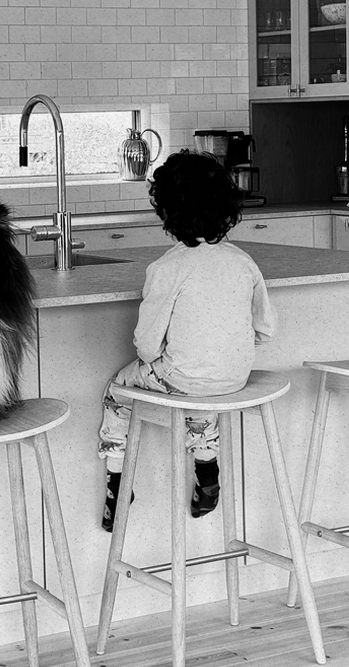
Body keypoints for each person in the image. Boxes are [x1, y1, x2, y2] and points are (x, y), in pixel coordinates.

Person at [97, 150, 277, 532]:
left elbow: (145, 346)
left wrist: (170, 356)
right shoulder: (243, 261)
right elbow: (265, 328)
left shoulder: (167, 268)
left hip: (184, 378)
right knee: (200, 388)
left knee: (118, 393)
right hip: (235, 378)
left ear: (166, 213)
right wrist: (222, 350)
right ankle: (206, 468)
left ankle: (118, 484)